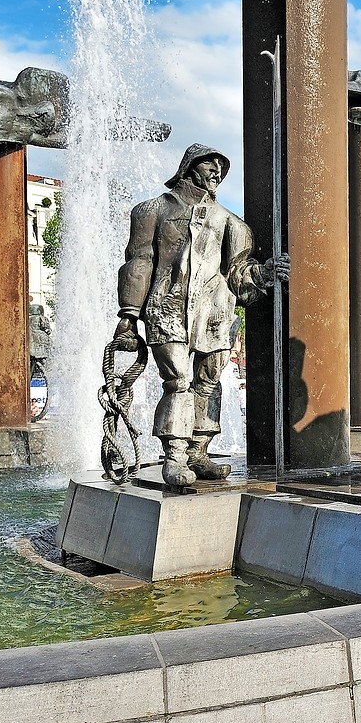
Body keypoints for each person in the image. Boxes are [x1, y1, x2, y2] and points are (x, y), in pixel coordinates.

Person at [113, 143, 289, 487]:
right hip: (167, 306)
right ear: (189, 166)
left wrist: (264, 273)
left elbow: (238, 271)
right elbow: (139, 262)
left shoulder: (229, 223)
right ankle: (175, 457)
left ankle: (199, 451)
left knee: (208, 382)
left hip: (215, 313)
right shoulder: (151, 210)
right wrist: (129, 316)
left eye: (221, 169)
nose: (217, 174)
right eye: (211, 167)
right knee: (178, 379)